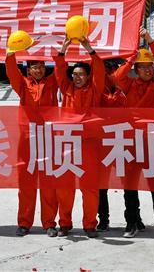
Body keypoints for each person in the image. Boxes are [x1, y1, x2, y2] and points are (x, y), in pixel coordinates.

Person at [110, 28, 154, 240]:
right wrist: (131, 58)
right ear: (136, 69)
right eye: (143, 67)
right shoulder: (130, 84)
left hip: (153, 140)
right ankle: (132, 222)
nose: (147, 70)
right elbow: (117, 77)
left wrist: (150, 41)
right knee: (129, 183)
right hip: (131, 140)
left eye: (150, 67)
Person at [53, 36, 106, 238]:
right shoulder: (66, 90)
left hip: (90, 144)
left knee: (89, 187)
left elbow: (99, 69)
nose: (76, 78)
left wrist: (88, 48)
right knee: (65, 187)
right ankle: (65, 223)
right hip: (67, 143)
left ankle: (90, 225)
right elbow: (59, 71)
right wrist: (63, 50)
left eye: (81, 74)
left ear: (87, 76)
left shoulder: (95, 89)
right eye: (74, 74)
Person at [6, 51, 59, 237]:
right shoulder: (23, 84)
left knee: (48, 182)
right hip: (27, 138)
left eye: (41, 67)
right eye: (35, 67)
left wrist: (59, 53)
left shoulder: (52, 82)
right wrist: (10, 54)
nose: (39, 70)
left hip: (47, 137)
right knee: (26, 181)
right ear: (29, 69)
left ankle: (49, 223)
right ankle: (24, 222)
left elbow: (62, 69)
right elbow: (12, 72)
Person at [96, 57, 127, 232]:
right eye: (107, 68)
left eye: (114, 68)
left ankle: (133, 218)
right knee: (102, 184)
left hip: (122, 138)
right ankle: (104, 219)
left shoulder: (126, 88)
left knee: (128, 183)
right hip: (103, 141)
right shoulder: (98, 89)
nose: (111, 72)